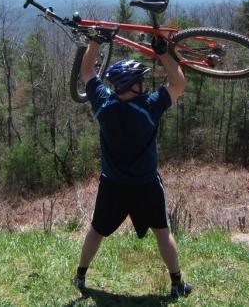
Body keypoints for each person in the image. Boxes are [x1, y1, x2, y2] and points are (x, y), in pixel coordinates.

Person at [73, 34, 192, 299]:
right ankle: (176, 284)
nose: (143, 84)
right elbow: (179, 82)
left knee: (97, 230)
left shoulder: (103, 105)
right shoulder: (150, 106)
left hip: (112, 185)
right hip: (146, 185)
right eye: (139, 81)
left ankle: (80, 276)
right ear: (133, 85)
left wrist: (94, 43)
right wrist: (163, 54)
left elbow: (87, 71)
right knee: (163, 233)